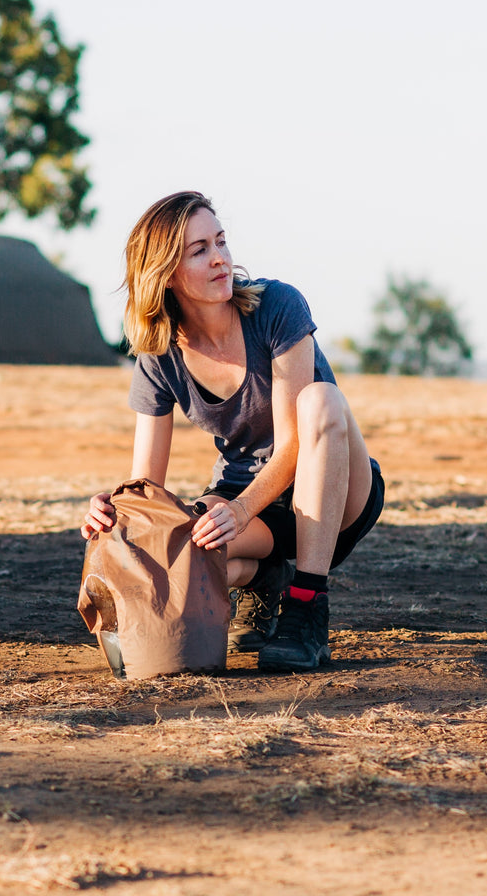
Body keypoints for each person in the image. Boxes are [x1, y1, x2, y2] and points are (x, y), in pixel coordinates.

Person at [81, 191, 384, 672]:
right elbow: (148, 487)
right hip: (246, 501)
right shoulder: (159, 355)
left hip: (332, 486)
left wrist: (240, 511)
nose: (220, 258)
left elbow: (293, 447)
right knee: (177, 552)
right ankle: (263, 581)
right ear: (164, 273)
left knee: (320, 398)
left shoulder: (276, 306)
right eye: (199, 250)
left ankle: (306, 610)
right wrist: (115, 510)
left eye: (220, 241)